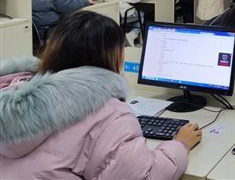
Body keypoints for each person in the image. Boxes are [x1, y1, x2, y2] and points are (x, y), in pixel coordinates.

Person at [0, 11, 201, 179]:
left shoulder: (14, 93)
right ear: (112, 56)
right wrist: (180, 145)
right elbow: (144, 176)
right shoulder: (110, 115)